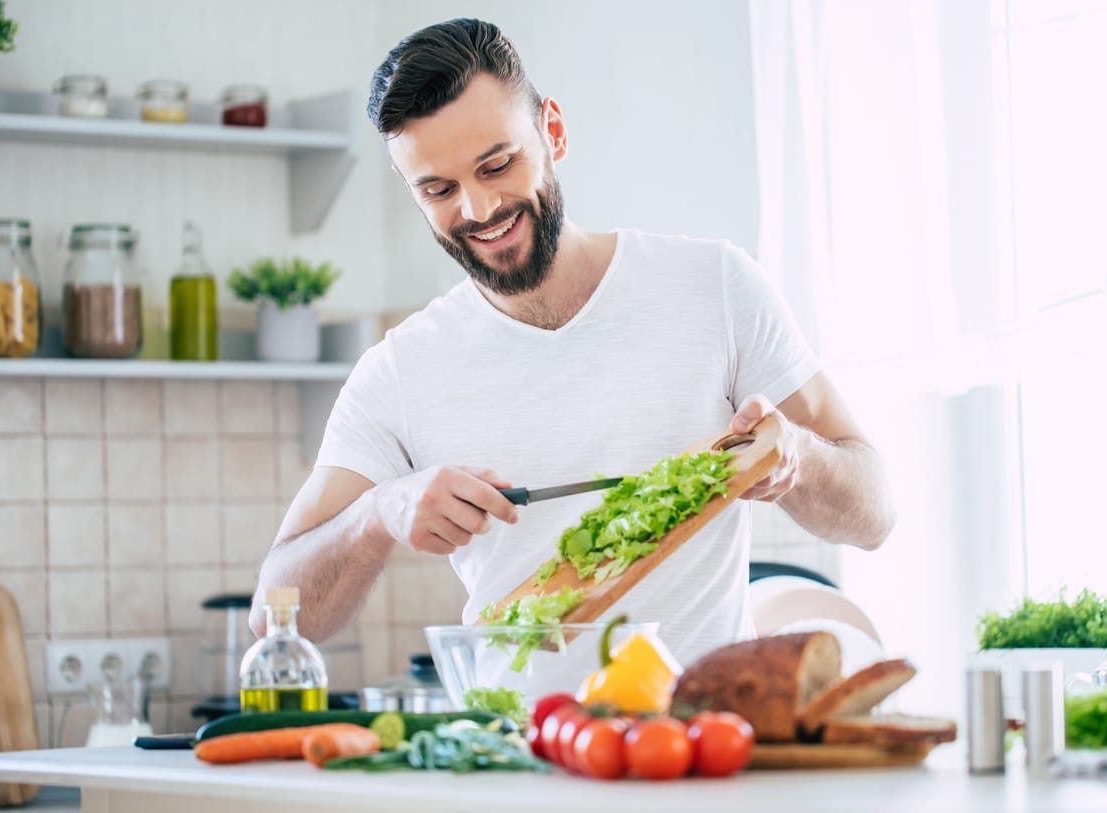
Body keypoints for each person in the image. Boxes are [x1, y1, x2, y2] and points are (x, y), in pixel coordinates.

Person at [251, 18, 895, 664]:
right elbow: (275, 614)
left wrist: (798, 459)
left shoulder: (714, 287)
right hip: (512, 754)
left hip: (700, 749)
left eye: (496, 164)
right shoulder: (399, 369)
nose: (477, 209)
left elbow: (873, 515)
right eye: (439, 189)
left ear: (552, 131)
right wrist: (376, 513)